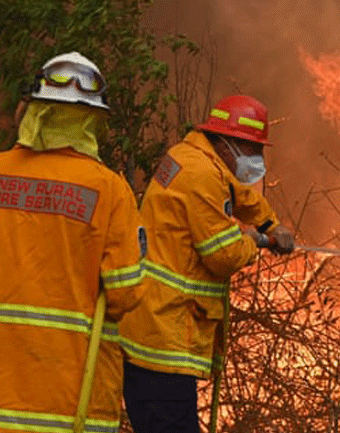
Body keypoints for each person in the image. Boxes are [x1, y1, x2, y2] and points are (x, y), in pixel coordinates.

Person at [0, 52, 145, 433]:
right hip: (76, 410)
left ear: (34, 111)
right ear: (93, 120)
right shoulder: (110, 191)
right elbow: (125, 295)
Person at [119, 94, 295, 432]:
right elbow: (223, 255)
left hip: (152, 328)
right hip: (164, 337)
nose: (257, 159)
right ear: (228, 142)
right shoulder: (201, 174)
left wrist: (270, 224)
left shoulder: (194, 156)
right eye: (253, 150)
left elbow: (236, 195)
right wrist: (253, 242)